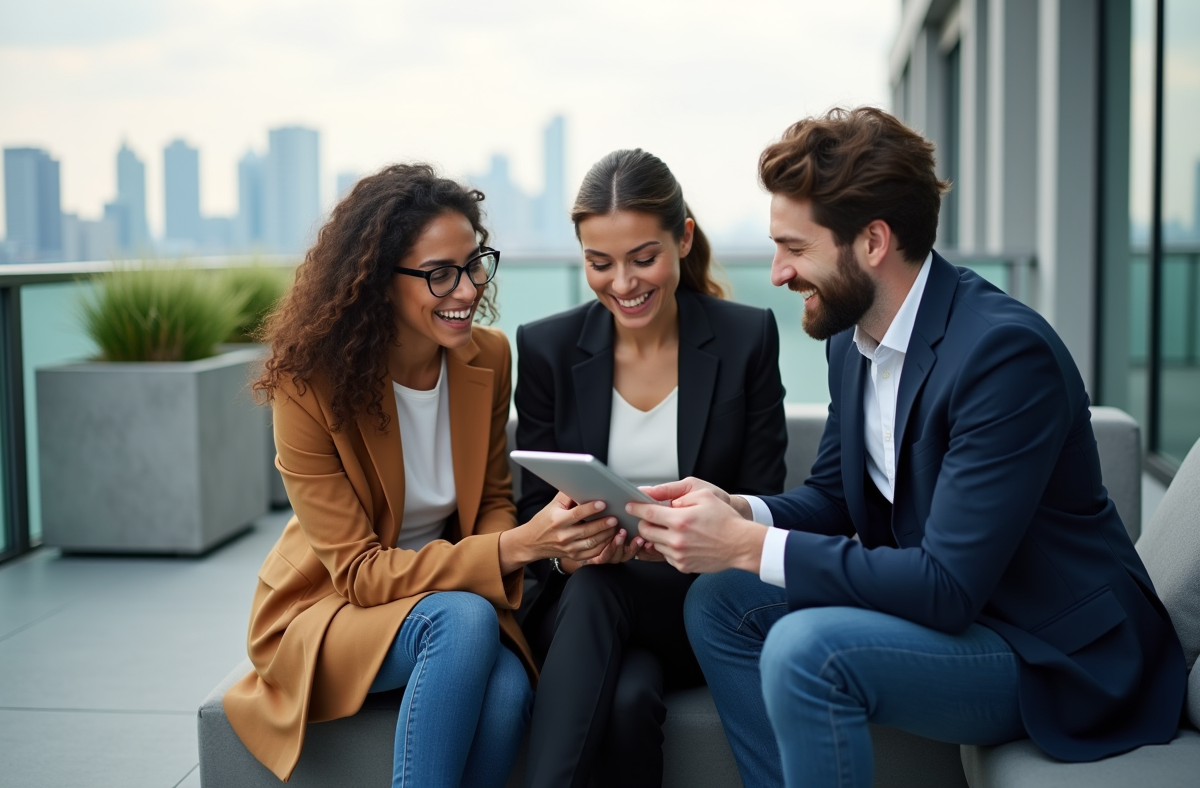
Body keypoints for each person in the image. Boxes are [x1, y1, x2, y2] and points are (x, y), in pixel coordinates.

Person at [628, 108, 1187, 788]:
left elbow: (947, 588)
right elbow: (834, 498)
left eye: (795, 249)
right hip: (967, 617)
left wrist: (746, 547)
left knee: (808, 651)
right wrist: (742, 514)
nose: (777, 273)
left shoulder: (1004, 356)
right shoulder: (851, 340)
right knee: (719, 601)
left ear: (872, 242)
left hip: (1051, 651)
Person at [222, 164, 622, 788]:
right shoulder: (309, 386)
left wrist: (519, 540)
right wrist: (517, 546)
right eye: (439, 274)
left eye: (474, 264)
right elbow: (358, 572)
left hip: (455, 602)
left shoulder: (486, 357)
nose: (466, 290)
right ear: (380, 282)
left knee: (510, 688)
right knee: (463, 622)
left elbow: (490, 499)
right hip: (329, 609)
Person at [514, 148, 788, 788]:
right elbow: (534, 507)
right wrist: (569, 550)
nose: (624, 283)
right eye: (599, 263)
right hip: (585, 598)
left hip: (697, 601)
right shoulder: (547, 348)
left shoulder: (746, 338)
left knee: (603, 600)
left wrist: (680, 538)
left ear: (683, 237)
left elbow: (762, 498)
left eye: (644, 258)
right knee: (629, 696)